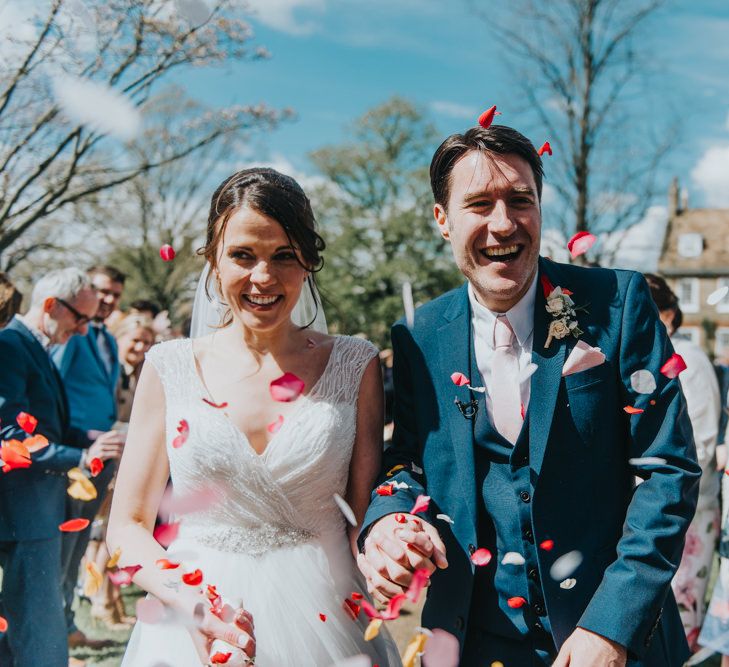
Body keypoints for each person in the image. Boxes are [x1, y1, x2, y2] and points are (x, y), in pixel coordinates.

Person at [357, 124, 700, 666]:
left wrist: (611, 628)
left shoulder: (619, 302)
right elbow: (408, 462)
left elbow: (669, 470)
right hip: (473, 640)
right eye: (479, 203)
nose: (503, 223)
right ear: (442, 220)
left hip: (611, 642)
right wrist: (390, 521)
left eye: (521, 200)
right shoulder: (418, 335)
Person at [108, 168, 401, 666]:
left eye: (283, 256)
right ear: (213, 262)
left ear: (308, 262)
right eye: (243, 255)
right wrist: (191, 605)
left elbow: (361, 518)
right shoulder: (169, 367)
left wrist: (389, 548)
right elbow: (128, 525)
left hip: (330, 623)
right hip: (199, 617)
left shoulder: (356, 364)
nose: (263, 277)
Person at [0, 268, 125, 667]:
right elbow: (7, 435)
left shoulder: (32, 346)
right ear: (51, 306)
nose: (85, 330)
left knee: (27, 626)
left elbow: (48, 424)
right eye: (80, 318)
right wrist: (80, 458)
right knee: (40, 628)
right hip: (23, 510)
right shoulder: (10, 345)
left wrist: (94, 440)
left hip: (36, 508)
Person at [643, 274, 721, 651]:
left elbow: (702, 440)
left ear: (670, 314)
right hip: (647, 507)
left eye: (649, 311)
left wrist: (664, 491)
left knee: (679, 606)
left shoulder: (690, 359)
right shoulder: (644, 358)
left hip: (687, 504)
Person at [52, 265, 126, 650]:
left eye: (115, 294)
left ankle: (68, 626)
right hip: (76, 455)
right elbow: (56, 391)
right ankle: (60, 633)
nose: (108, 300)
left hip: (104, 455)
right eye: (101, 292)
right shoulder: (73, 337)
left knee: (80, 544)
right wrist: (79, 445)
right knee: (62, 548)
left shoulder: (108, 341)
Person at [85, 314, 157, 628]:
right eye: (135, 340)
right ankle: (100, 599)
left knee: (113, 536)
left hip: (129, 459)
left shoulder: (143, 372)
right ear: (119, 338)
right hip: (107, 458)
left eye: (146, 342)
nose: (140, 347)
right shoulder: (107, 373)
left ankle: (111, 601)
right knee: (101, 535)